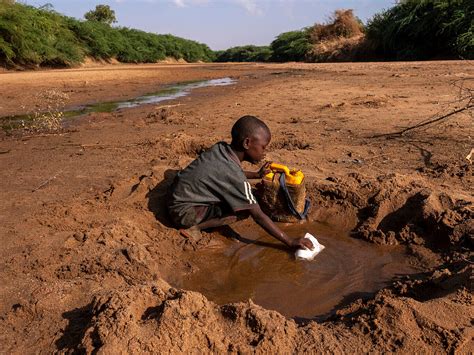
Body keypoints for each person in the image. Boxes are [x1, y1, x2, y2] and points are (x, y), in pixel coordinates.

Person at [167, 115, 313, 250]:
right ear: (247, 143)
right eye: (263, 147)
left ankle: (210, 221)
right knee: (244, 210)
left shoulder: (221, 148)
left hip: (177, 198)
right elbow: (258, 215)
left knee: (237, 198)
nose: (264, 152)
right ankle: (196, 227)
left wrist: (256, 175)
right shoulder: (234, 175)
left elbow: (225, 174)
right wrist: (290, 241)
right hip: (183, 214)